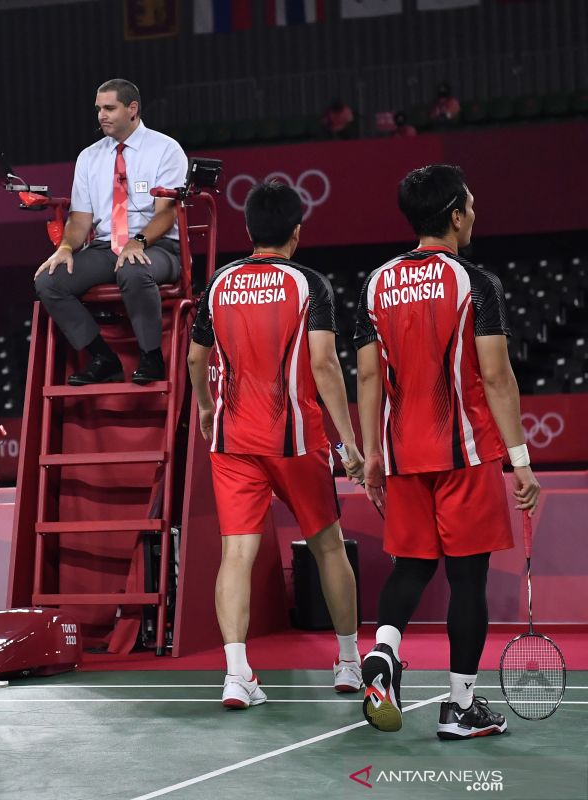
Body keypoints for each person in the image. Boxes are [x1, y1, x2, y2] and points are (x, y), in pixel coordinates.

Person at [354, 164, 540, 740]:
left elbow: (365, 377)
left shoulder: (377, 282)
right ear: (455, 215)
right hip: (464, 453)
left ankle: (383, 654)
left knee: (410, 568)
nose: (476, 214)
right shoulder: (474, 282)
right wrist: (521, 458)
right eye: (472, 205)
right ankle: (460, 707)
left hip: (403, 453)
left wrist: (372, 457)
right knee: (466, 582)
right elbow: (497, 374)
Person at [187, 181, 366, 709]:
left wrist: (203, 406)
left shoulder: (218, 283)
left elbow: (197, 359)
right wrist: (349, 442)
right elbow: (325, 364)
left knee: (236, 554)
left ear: (248, 231)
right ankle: (350, 663)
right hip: (296, 439)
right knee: (327, 545)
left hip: (232, 437)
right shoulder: (307, 283)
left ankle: (237, 674)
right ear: (296, 233)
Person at [34, 78, 188, 386]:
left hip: (158, 248)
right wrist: (65, 248)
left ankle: (151, 358)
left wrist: (138, 242)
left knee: (132, 268)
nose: (101, 115)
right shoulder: (89, 157)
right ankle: (103, 359)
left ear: (132, 109)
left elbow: (166, 214)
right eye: (98, 109)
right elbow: (80, 220)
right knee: (48, 281)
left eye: (109, 108)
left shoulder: (165, 149)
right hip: (106, 248)